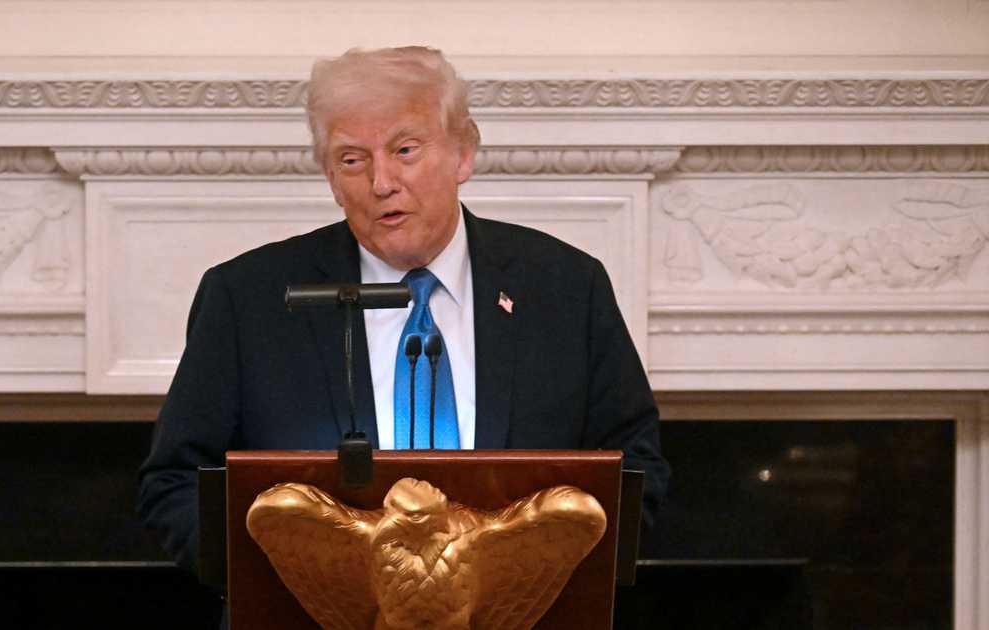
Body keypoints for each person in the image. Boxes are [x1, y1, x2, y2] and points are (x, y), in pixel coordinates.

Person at [138, 46, 669, 578]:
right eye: (352, 160)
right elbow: (175, 483)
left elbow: (636, 471)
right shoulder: (248, 299)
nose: (382, 182)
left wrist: (528, 576)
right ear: (331, 177)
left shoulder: (566, 288)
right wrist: (294, 577)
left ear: (463, 154)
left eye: (405, 150)